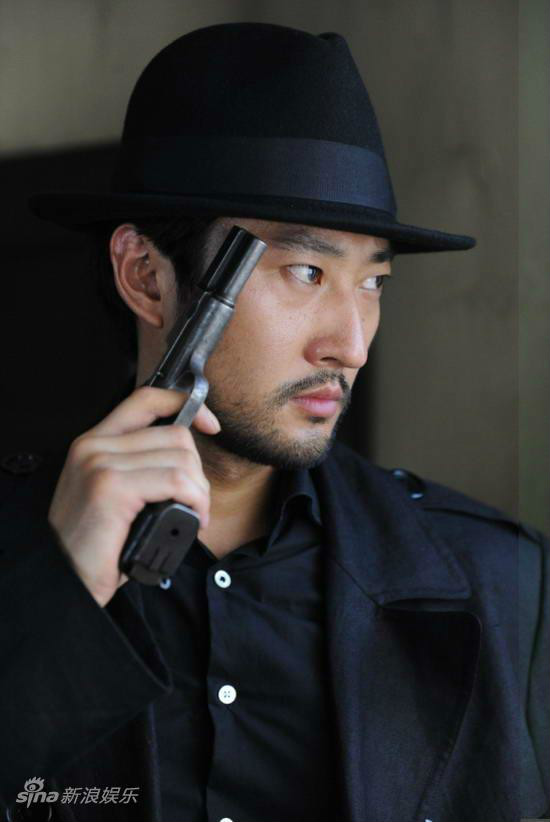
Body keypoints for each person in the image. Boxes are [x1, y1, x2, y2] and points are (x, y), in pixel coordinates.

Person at [1, 22, 548, 822]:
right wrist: (62, 604)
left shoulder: (504, 581)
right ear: (146, 276)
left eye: (374, 283)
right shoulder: (16, 550)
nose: (351, 345)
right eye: (307, 270)